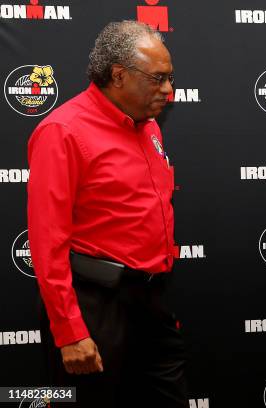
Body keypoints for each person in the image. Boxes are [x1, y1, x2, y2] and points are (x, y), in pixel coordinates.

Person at [27, 21, 187, 407]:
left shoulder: (149, 127)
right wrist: (69, 332)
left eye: (171, 78)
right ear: (118, 76)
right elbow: (47, 243)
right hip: (94, 307)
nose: (169, 90)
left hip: (152, 300)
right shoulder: (63, 131)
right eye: (158, 79)